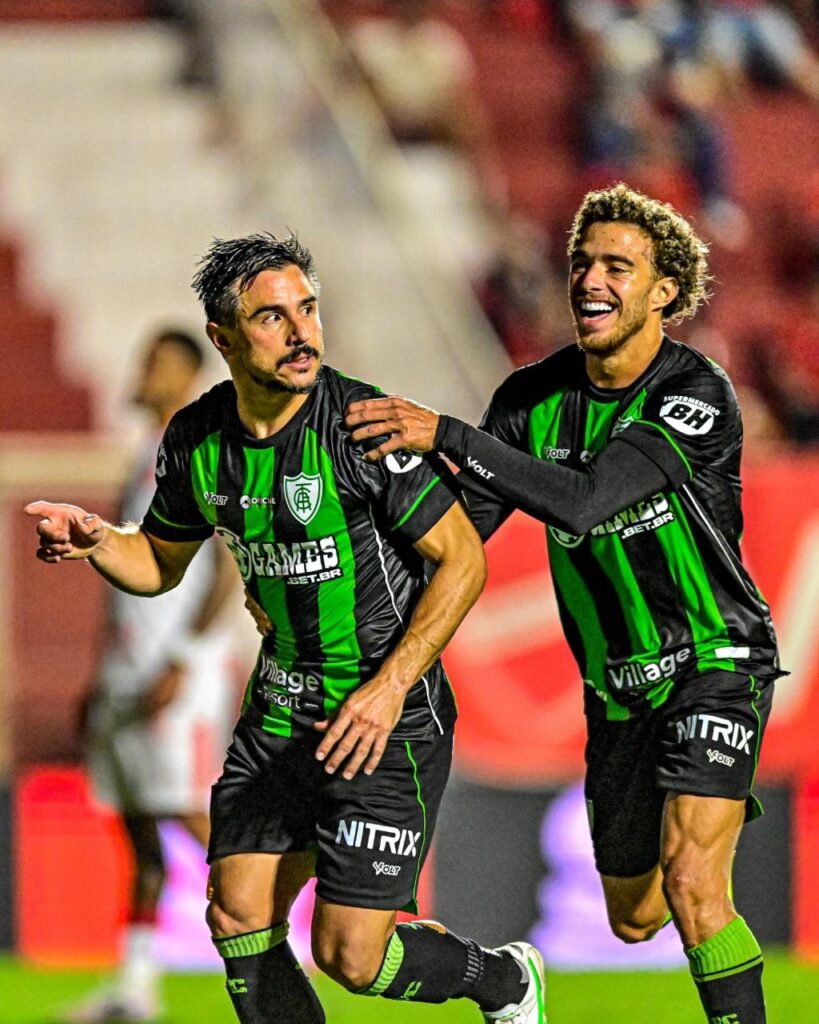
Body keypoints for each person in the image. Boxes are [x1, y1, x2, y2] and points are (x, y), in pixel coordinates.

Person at [26, 234, 546, 1024]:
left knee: (351, 956)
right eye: (273, 317)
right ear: (224, 339)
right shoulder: (197, 440)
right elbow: (158, 562)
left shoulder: (360, 424)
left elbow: (462, 560)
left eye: (308, 309)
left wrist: (388, 688)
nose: (302, 332)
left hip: (383, 716)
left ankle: (504, 981)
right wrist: (100, 540)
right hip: (279, 711)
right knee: (236, 913)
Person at [346, 183, 782, 1024]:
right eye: (582, 262)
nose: (590, 279)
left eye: (618, 266)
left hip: (713, 660)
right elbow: (458, 537)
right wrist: (354, 588)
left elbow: (585, 502)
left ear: (663, 291)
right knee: (636, 916)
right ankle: (514, 978)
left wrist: (447, 434)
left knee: (695, 884)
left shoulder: (694, 391)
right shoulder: (530, 400)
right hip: (617, 688)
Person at [65, 329, 238, 1024]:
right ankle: (135, 987)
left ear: (188, 377)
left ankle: (289, 950)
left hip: (177, 680)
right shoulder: (146, 455)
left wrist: (183, 661)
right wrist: (101, 674)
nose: (142, 373)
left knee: (196, 818)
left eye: (157, 364)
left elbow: (225, 567)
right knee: (139, 831)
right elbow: (123, 586)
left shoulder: (197, 453)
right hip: (128, 675)